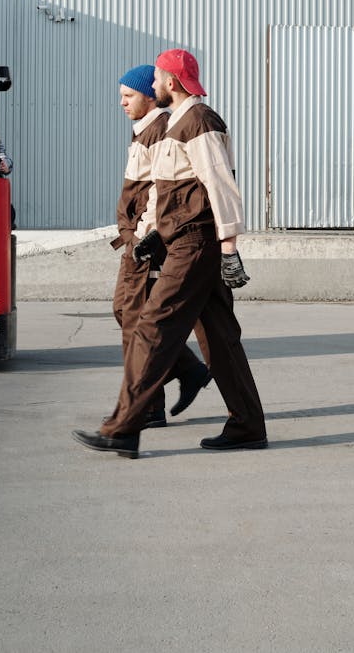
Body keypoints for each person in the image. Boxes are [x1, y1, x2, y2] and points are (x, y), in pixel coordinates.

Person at [73, 49, 265, 459]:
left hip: (196, 243)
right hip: (179, 240)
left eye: (157, 79)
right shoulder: (176, 124)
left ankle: (123, 427)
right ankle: (247, 424)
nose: (153, 85)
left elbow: (220, 185)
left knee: (152, 328)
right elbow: (164, 191)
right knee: (219, 336)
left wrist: (230, 248)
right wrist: (151, 235)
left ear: (170, 83)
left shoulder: (199, 121)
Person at [105, 64, 213, 429]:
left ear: (150, 96)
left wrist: (145, 237)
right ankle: (187, 369)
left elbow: (158, 191)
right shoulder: (143, 131)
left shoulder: (159, 130)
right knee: (125, 311)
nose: (122, 103)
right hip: (134, 238)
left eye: (129, 96)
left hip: (145, 241)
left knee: (137, 319)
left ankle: (146, 408)